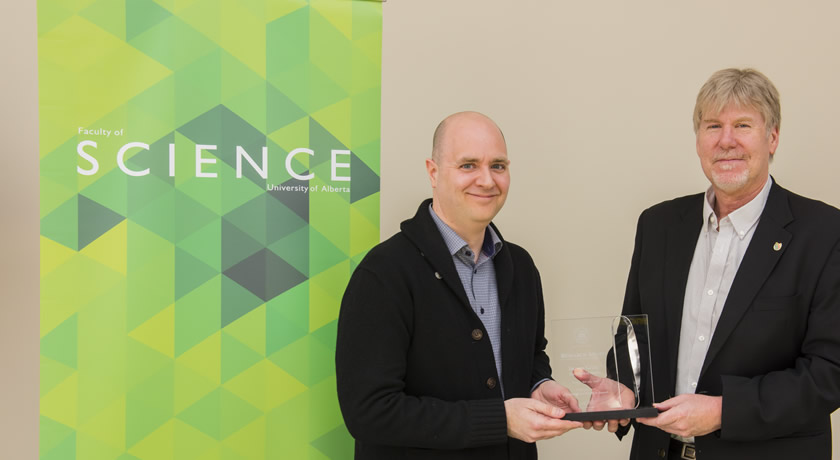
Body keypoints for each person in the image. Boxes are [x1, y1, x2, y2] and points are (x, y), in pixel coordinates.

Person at [619, 68, 840, 459]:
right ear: (698, 140)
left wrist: (724, 411)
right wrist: (621, 385)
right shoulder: (657, 225)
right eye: (712, 126)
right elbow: (633, 337)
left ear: (772, 138)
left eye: (742, 125)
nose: (726, 141)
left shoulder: (825, 233)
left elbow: (829, 374)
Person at [335, 111, 583, 459]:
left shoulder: (522, 267)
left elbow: (529, 358)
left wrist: (540, 386)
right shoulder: (384, 273)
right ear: (433, 172)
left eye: (498, 165)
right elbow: (370, 412)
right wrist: (499, 420)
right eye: (468, 165)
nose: (487, 180)